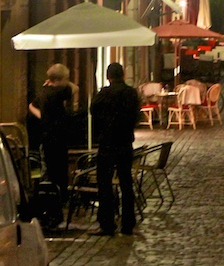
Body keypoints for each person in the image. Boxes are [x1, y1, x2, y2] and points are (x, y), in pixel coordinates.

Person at [90, 62, 141, 236]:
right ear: (123, 75)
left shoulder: (103, 94)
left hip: (107, 144)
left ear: (108, 76)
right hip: (125, 143)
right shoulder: (131, 93)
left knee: (104, 184)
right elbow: (137, 115)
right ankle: (128, 223)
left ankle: (107, 223)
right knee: (126, 184)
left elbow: (93, 111)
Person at [28, 62, 79, 206]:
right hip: (57, 138)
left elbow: (31, 106)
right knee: (59, 170)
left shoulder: (44, 92)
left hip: (45, 137)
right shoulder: (58, 92)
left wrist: (42, 116)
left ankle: (52, 198)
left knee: (48, 169)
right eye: (66, 78)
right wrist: (67, 82)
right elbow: (75, 88)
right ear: (59, 79)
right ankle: (60, 199)